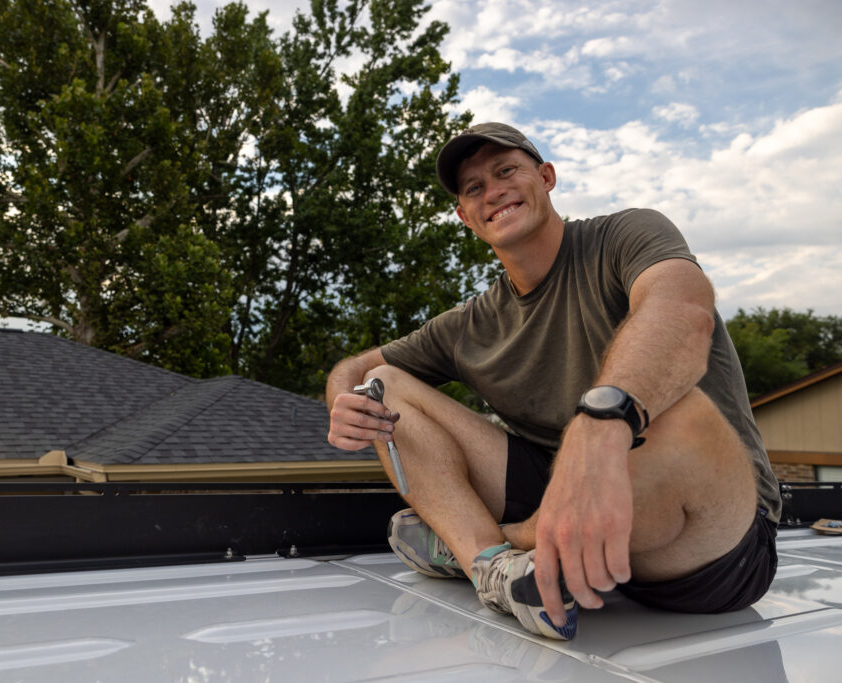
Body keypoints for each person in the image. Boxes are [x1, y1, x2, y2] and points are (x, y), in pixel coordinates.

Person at [325, 123, 780, 640]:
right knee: (385, 385)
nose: (492, 191)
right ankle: (497, 569)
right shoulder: (472, 325)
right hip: (557, 495)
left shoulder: (627, 235)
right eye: (474, 189)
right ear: (465, 216)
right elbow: (358, 370)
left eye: (506, 171)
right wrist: (344, 399)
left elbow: (682, 309)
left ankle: (478, 545)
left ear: (546, 177)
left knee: (687, 419)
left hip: (711, 545)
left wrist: (602, 424)